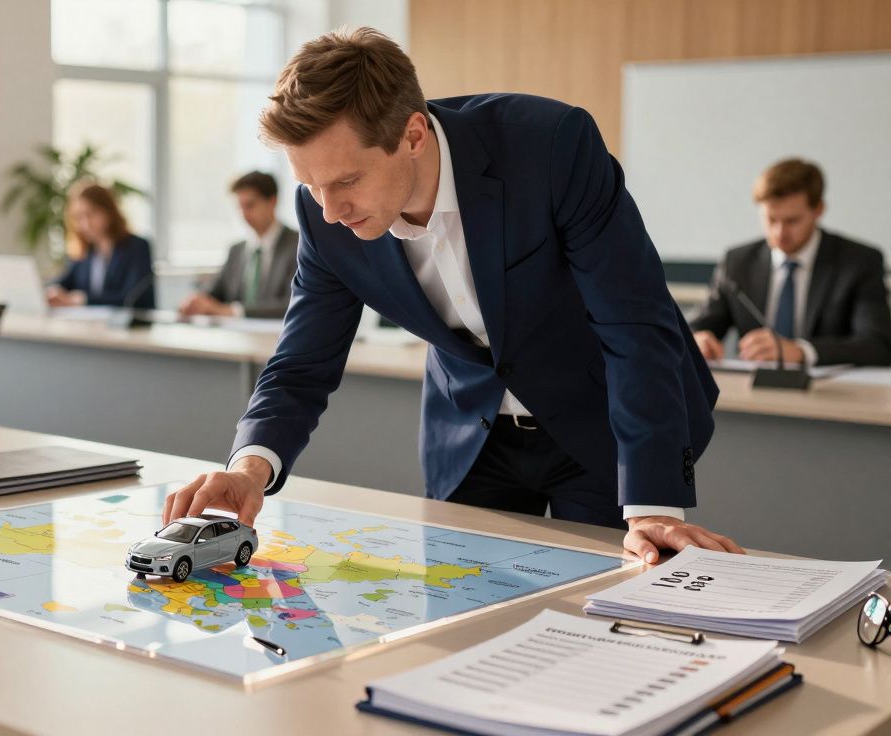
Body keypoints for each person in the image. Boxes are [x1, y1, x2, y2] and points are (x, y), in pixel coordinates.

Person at [162, 28, 744, 564]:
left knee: (602, 624)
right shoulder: (322, 218)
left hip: (603, 430)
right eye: (310, 186)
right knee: (465, 631)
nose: (330, 211)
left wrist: (652, 507)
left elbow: (634, 323)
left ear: (412, 135)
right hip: (470, 439)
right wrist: (249, 470)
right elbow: (301, 363)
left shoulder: (550, 148)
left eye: (345, 181)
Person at [691, 159, 891, 367]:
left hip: (831, 395)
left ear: (818, 210)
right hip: (751, 394)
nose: (780, 233)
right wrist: (697, 339)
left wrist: (801, 351)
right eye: (771, 219)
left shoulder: (859, 262)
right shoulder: (737, 262)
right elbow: (697, 326)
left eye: (792, 220)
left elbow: (879, 346)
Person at [178, 171, 299, 319]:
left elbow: (293, 303)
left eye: (250, 205)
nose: (244, 214)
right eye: (240, 207)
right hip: (238, 338)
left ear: (272, 202)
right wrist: (196, 302)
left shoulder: (299, 245)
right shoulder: (236, 250)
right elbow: (215, 293)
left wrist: (234, 312)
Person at [46, 181, 155, 310]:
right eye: (79, 217)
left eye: (91, 214)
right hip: (90, 326)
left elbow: (131, 298)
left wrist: (81, 300)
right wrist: (51, 291)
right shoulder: (84, 252)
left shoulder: (137, 247)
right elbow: (63, 282)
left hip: (132, 327)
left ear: (108, 212)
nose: (85, 224)